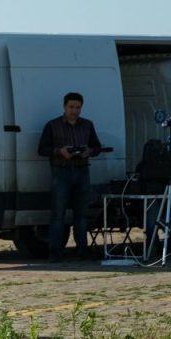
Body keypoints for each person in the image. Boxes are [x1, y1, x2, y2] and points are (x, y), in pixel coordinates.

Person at [37, 92, 102, 262]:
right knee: (58, 214)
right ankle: (55, 252)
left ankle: (82, 250)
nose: (74, 110)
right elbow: (42, 149)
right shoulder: (53, 125)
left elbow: (97, 147)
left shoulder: (87, 125)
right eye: (71, 107)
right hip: (61, 171)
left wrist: (88, 151)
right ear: (64, 107)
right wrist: (60, 151)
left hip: (82, 171)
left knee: (81, 215)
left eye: (78, 107)